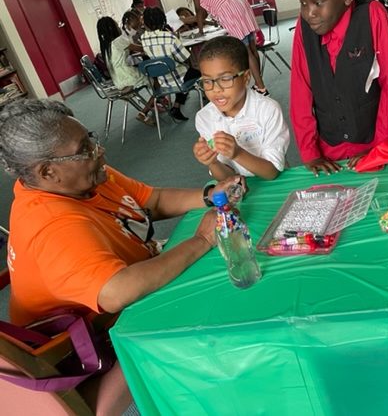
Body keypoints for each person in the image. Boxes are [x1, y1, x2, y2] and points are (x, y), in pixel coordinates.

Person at [0, 99, 245, 326]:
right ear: (48, 172)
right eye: (85, 149)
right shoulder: (50, 225)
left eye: (91, 139)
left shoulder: (86, 177)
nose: (100, 151)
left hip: (136, 275)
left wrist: (209, 196)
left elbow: (153, 201)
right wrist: (202, 240)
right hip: (91, 339)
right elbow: (116, 292)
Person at [289, 0, 388, 176]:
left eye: (318, 3)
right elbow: (300, 91)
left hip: (372, 142)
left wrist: (381, 148)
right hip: (329, 150)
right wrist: (310, 153)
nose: (310, 13)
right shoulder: (304, 27)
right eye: (303, 3)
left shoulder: (372, 14)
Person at [192, 36, 289, 181]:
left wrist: (237, 153)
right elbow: (228, 178)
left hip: (275, 182)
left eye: (225, 79)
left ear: (246, 78)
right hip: (239, 187)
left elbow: (272, 172)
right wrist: (212, 162)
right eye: (207, 81)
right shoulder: (204, 117)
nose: (216, 89)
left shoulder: (268, 110)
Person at [191, 0, 269, 96]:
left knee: (246, 51)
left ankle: (262, 88)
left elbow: (199, 11)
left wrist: (200, 31)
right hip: (239, 1)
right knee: (252, 48)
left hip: (228, 9)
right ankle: (259, 84)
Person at [140, 7, 201, 121]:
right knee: (197, 71)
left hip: (162, 81)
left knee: (180, 75)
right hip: (179, 78)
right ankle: (178, 106)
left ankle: (176, 108)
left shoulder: (143, 38)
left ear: (146, 23)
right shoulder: (169, 37)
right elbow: (185, 57)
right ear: (163, 20)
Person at [97, 16, 156, 126]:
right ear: (113, 28)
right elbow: (142, 48)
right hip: (129, 77)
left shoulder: (106, 47)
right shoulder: (119, 41)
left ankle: (155, 105)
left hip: (118, 80)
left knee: (149, 76)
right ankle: (143, 113)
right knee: (158, 83)